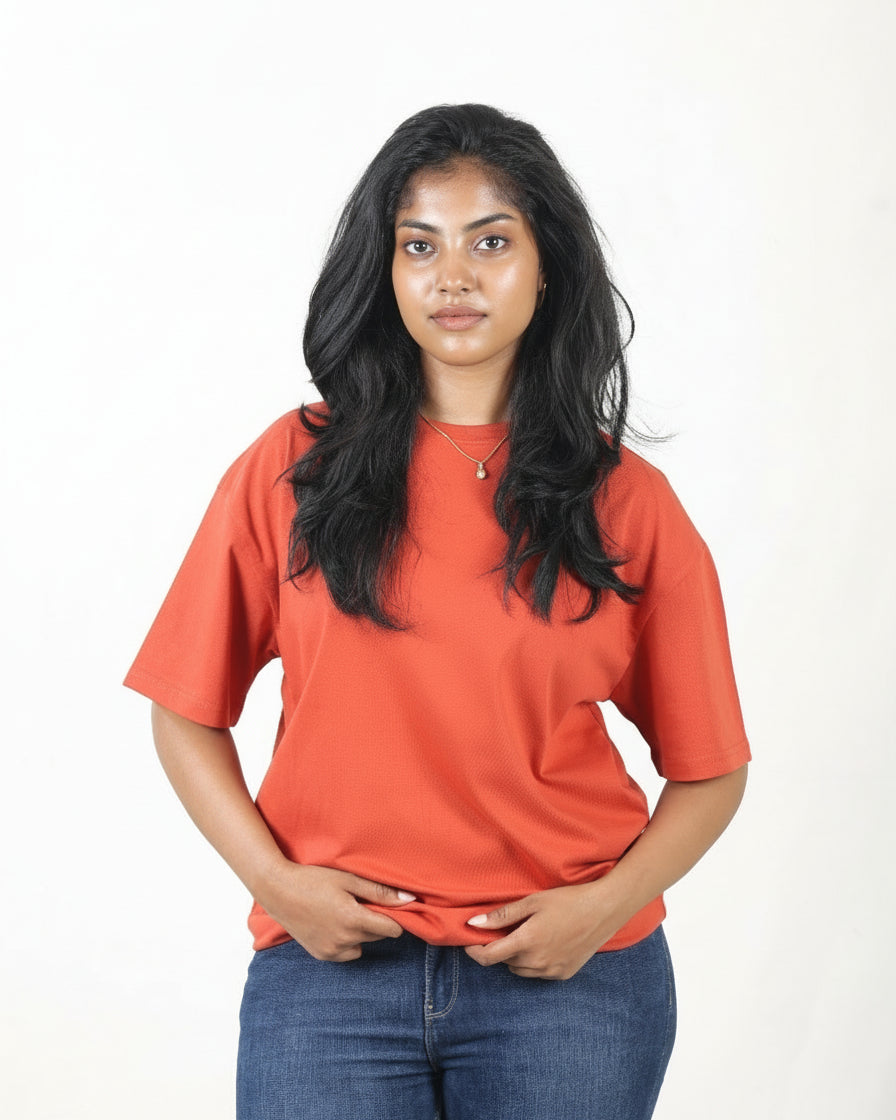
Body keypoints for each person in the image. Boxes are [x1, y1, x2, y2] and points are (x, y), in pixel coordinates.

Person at [124, 103, 750, 1120]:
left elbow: (710, 769)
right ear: (385, 269)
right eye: (418, 245)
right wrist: (275, 884)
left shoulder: (623, 498)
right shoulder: (293, 469)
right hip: (330, 976)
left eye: (489, 241)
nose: (451, 276)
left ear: (547, 268)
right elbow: (183, 707)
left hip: (570, 983)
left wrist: (598, 911)